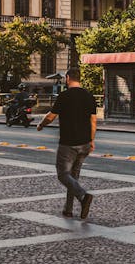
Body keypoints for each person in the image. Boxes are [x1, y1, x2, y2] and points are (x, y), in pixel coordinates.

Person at [37, 67, 97, 219]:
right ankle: (68, 209)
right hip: (84, 143)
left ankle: (83, 196)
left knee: (63, 175)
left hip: (68, 143)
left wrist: (41, 125)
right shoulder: (89, 96)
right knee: (73, 178)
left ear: (68, 78)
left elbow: (51, 116)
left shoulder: (64, 96)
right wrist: (92, 140)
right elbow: (93, 121)